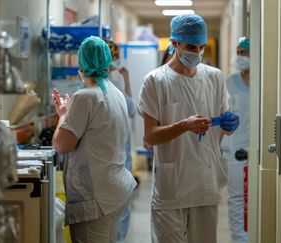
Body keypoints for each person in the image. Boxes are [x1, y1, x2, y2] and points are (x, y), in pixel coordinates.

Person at [138, 14, 240, 243]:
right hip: (171, 189)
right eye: (191, 46)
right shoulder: (155, 81)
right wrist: (184, 125)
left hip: (205, 184)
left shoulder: (214, 78)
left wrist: (228, 126)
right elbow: (151, 137)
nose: (197, 52)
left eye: (201, 46)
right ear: (174, 43)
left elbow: (221, 127)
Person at [52, 36, 137, 243]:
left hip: (96, 198)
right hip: (114, 189)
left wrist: (62, 114)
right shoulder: (115, 93)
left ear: (82, 65)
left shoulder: (85, 97)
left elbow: (61, 145)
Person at [103, 38, 136, 242]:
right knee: (117, 212)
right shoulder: (110, 89)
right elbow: (132, 108)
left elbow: (131, 107)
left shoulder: (113, 87)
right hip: (115, 161)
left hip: (114, 161)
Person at [221, 37, 250, 243]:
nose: (240, 57)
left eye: (244, 52)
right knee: (236, 201)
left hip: (259, 154)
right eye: (238, 52)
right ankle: (239, 240)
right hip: (235, 154)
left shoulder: (265, 83)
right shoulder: (230, 83)